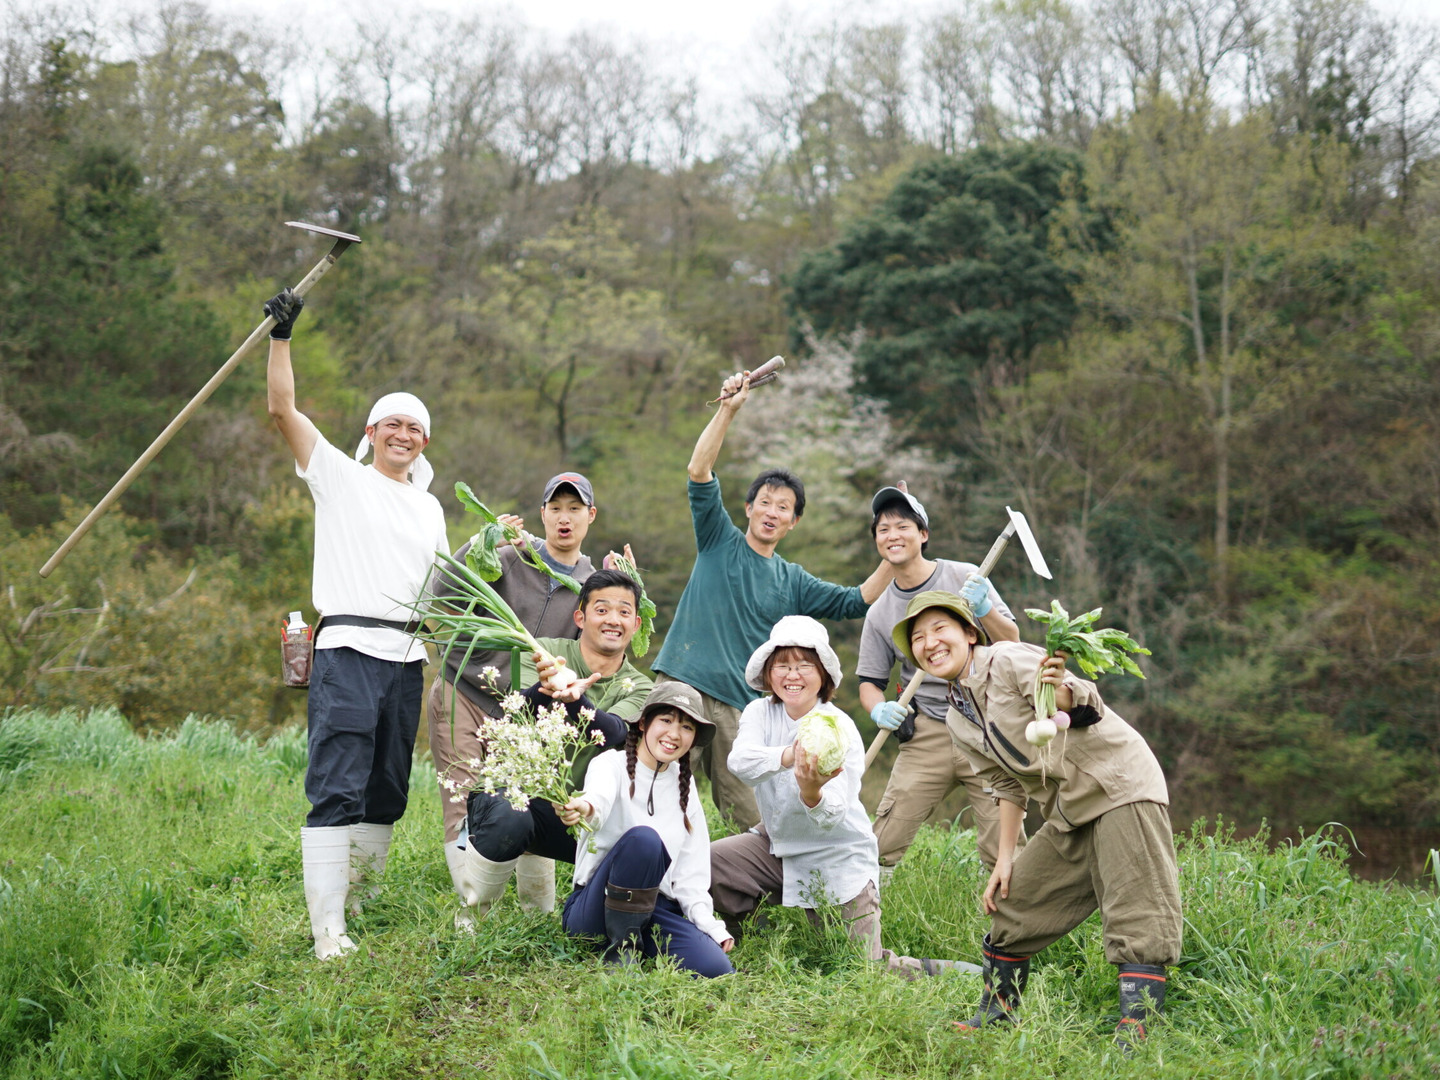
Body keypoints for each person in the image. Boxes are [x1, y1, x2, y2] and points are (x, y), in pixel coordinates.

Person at [894, 590, 1181, 1044]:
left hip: (1117, 786)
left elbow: (1081, 700)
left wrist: (1059, 689)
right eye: (917, 638)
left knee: (1134, 908)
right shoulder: (957, 718)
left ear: (970, 634)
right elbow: (1005, 784)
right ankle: (997, 1015)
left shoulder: (1008, 660)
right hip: (1068, 811)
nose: (929, 643)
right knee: (1014, 902)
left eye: (939, 629)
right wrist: (1005, 858)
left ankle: (1138, 1026)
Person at [263, 287, 450, 960]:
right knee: (338, 784)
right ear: (371, 433)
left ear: (424, 442)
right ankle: (327, 931)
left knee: (388, 789)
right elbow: (282, 409)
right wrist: (281, 337)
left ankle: (359, 909)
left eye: (414, 428)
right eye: (390, 424)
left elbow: (447, 590)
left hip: (407, 659)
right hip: (347, 649)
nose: (403, 434)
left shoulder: (430, 508)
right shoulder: (341, 477)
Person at [653, 369, 894, 829]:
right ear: (749, 508)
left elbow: (856, 600)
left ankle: (755, 876)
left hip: (739, 706)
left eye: (784, 507)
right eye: (765, 502)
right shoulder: (718, 538)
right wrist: (728, 410)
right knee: (652, 790)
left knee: (752, 819)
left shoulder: (793, 580)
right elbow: (699, 471)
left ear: (793, 522)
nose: (772, 511)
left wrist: (893, 554)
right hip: (683, 682)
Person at [709, 616, 971, 978]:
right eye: (782, 665)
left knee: (862, 969)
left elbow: (832, 815)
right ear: (768, 673)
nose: (792, 675)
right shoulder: (759, 712)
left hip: (836, 856)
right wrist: (790, 755)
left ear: (824, 675)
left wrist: (811, 790)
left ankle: (947, 972)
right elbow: (740, 762)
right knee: (713, 864)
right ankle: (755, 940)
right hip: (777, 846)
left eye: (804, 665)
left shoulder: (839, 727)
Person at [427, 471, 605, 913]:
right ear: (542, 514)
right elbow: (442, 590)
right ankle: (472, 912)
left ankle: (536, 912)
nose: (564, 519)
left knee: (530, 797)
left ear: (591, 515)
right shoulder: (509, 556)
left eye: (575, 509)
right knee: (462, 796)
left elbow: (603, 643)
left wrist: (625, 590)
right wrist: (481, 542)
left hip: (527, 710)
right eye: (556, 508)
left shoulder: (592, 584)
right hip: (465, 690)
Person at [456, 569, 654, 925]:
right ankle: (474, 919)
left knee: (634, 840)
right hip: (516, 793)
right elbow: (518, 711)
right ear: (580, 617)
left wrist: (576, 699)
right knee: (510, 816)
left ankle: (548, 918)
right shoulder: (544, 653)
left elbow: (613, 732)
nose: (613, 620)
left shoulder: (640, 686)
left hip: (578, 810)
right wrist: (545, 689)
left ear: (636, 624)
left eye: (624, 612)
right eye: (602, 609)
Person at [856, 484, 1023, 877]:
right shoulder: (880, 612)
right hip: (927, 729)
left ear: (923, 534)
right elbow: (869, 682)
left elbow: (1013, 643)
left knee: (1004, 846)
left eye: (903, 527)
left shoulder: (965, 577)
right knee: (882, 842)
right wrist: (878, 709)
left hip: (985, 724)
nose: (893, 535)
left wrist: (985, 608)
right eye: (883, 529)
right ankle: (862, 905)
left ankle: (1011, 909)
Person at [555, 682, 735, 977]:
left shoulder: (685, 786)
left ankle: (637, 938)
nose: (674, 734)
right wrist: (584, 808)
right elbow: (597, 801)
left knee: (715, 967)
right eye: (666, 720)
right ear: (643, 723)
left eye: (687, 727)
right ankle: (622, 951)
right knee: (645, 840)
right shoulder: (609, 764)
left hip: (652, 907)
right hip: (595, 908)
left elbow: (690, 874)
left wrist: (710, 926)